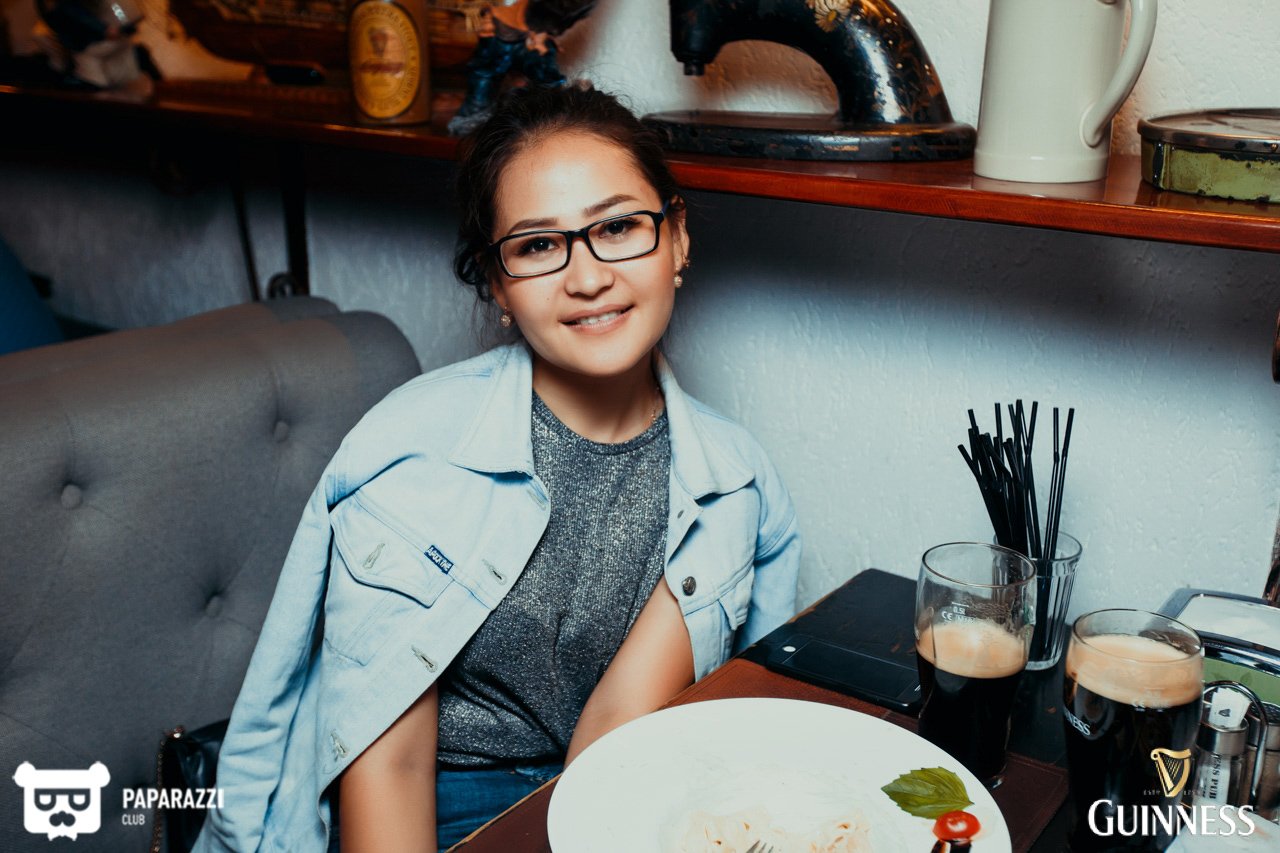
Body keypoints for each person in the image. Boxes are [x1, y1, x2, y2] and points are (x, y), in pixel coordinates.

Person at [193, 81, 801, 853]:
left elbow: (621, 734)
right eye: (538, 245)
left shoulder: (732, 483)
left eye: (619, 226)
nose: (588, 277)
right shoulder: (412, 454)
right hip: (438, 804)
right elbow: (391, 767)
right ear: (497, 284)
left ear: (676, 238)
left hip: (614, 790)